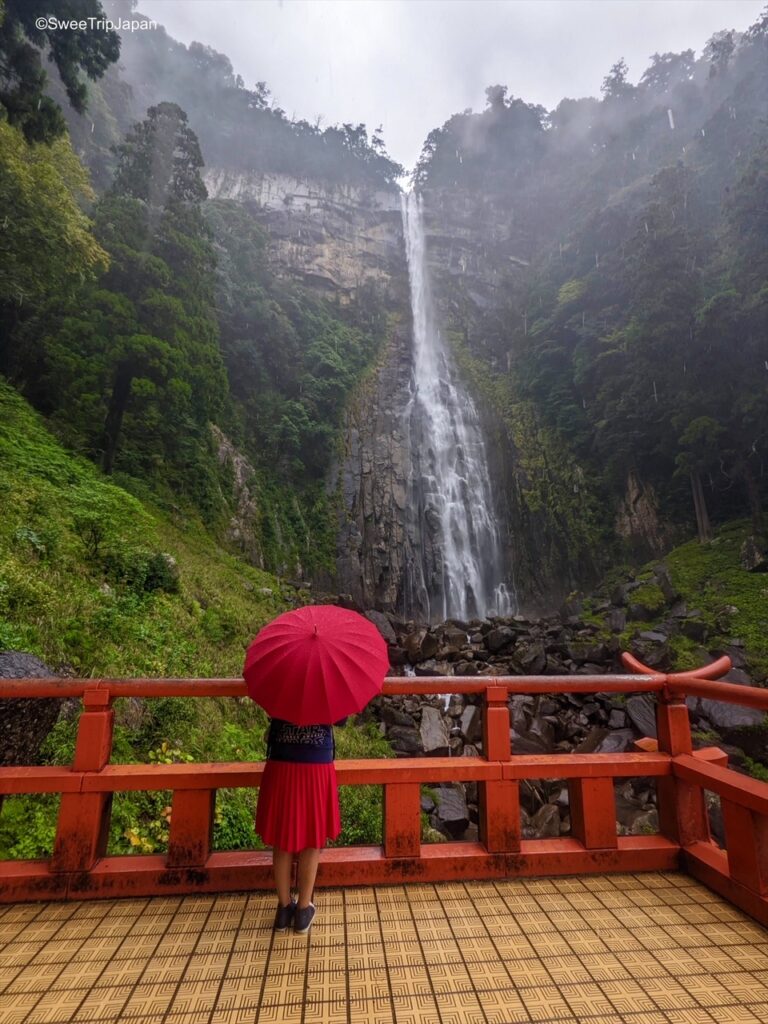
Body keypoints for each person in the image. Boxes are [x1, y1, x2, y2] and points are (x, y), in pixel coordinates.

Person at [255, 716, 344, 934]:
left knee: (281, 836)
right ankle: (303, 910)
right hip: (316, 764)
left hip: (281, 762)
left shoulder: (279, 681)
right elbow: (341, 720)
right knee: (312, 838)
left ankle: (284, 909)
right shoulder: (328, 683)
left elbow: (269, 710)